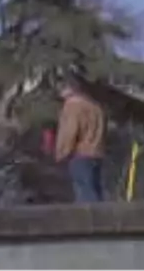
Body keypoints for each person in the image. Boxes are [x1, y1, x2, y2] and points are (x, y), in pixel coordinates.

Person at [55, 74, 106, 203]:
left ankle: (87, 222)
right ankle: (102, 221)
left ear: (69, 89)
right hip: (97, 152)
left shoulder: (72, 106)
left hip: (80, 153)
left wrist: (62, 152)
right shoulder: (95, 106)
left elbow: (70, 131)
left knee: (84, 193)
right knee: (95, 190)